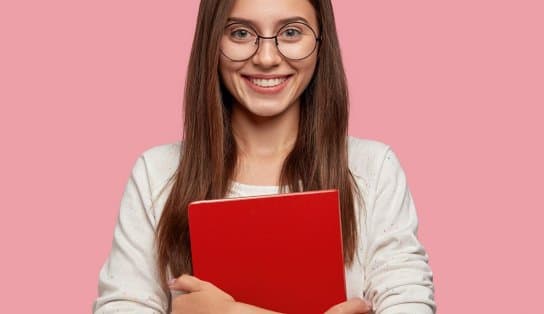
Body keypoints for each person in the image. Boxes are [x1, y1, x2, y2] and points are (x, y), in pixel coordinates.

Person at [93, 0, 436, 313]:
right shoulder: (157, 173)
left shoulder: (373, 170)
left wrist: (232, 312)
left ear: (321, 42)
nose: (267, 58)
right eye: (240, 33)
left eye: (291, 32)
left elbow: (410, 304)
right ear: (212, 42)